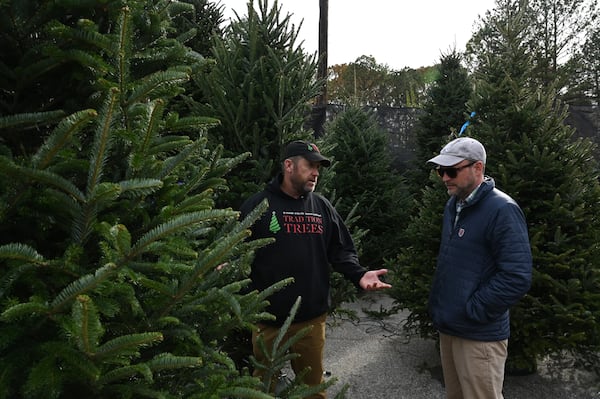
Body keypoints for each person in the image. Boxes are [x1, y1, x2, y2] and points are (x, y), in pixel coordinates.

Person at [240, 140, 391, 399]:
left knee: (313, 388)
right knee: (261, 388)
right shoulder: (259, 206)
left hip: (311, 319)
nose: (316, 173)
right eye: (310, 165)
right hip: (269, 321)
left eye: (318, 167)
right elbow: (234, 248)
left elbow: (341, 250)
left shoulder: (321, 207)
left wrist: (359, 273)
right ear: (289, 165)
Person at [427, 137, 532, 399]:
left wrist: (473, 309)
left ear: (478, 168)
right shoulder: (454, 204)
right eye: (441, 171)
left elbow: (516, 276)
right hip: (450, 327)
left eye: (452, 171)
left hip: (479, 335)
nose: (444, 178)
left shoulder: (502, 210)